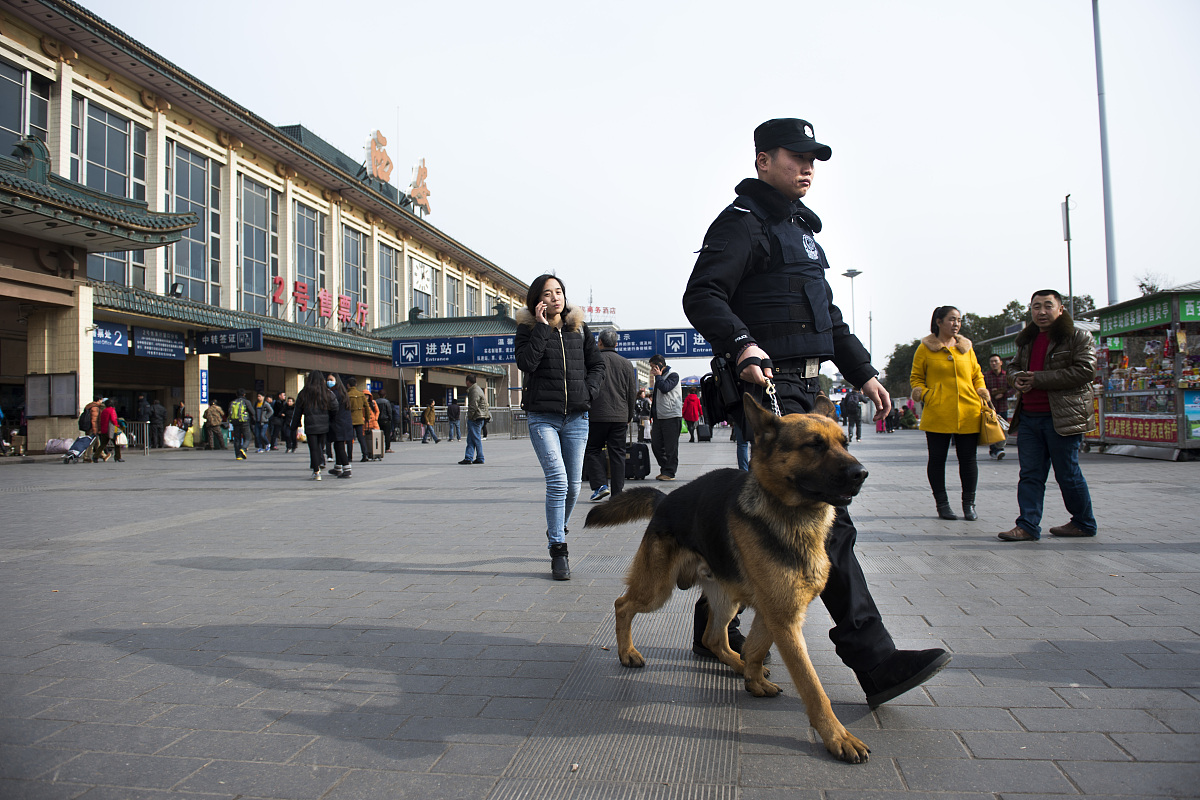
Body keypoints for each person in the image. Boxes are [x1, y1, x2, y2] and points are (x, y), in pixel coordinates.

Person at [682, 117, 949, 708]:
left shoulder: (803, 232)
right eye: (795, 155)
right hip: (772, 393)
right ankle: (875, 660)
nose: (807, 166)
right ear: (762, 161)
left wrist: (866, 373)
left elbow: (830, 319)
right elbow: (702, 294)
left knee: (767, 520)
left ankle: (712, 628)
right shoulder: (740, 225)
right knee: (827, 524)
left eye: (814, 158)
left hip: (812, 390)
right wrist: (742, 343)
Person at [514, 274, 605, 581]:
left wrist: (588, 392)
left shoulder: (579, 328)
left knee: (575, 486)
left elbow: (597, 366)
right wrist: (541, 327)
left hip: (577, 418)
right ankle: (559, 548)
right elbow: (527, 363)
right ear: (537, 300)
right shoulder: (527, 330)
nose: (555, 297)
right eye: (547, 293)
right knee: (558, 480)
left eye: (559, 292)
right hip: (544, 417)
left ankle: (557, 527)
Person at [998, 290, 1098, 542]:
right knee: (1030, 474)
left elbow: (1085, 370)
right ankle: (1028, 526)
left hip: (1062, 417)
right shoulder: (1027, 339)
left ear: (1060, 309)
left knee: (1067, 473)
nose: (1041, 312)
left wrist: (1039, 379)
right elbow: (1012, 367)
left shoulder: (1078, 336)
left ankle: (1083, 522)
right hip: (1030, 417)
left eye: (1047, 306)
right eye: (1035, 307)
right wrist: (1016, 380)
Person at [909, 306, 988, 522]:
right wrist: (926, 395)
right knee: (937, 459)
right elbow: (916, 378)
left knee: (968, 460)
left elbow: (977, 375)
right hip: (938, 412)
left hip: (969, 411)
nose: (956, 324)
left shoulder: (966, 348)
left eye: (959, 320)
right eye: (952, 320)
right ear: (939, 321)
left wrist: (981, 391)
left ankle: (968, 505)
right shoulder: (925, 349)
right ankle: (942, 504)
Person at [585, 329, 638, 501]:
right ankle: (617, 493)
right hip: (620, 416)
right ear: (616, 344)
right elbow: (632, 393)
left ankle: (600, 485)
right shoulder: (626, 364)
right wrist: (629, 415)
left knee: (593, 449)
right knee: (618, 454)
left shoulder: (591, 362)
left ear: (599, 342)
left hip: (596, 415)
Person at [293, 370, 335, 480]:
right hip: (324, 425)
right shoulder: (327, 392)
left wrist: (295, 424)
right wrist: (330, 418)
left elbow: (297, 411)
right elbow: (335, 406)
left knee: (313, 448)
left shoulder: (304, 393)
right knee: (320, 446)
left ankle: (316, 471)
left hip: (311, 424)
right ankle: (320, 463)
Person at [648, 354, 682, 481]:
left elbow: (665, 388)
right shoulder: (659, 378)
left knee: (670, 447)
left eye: (653, 367)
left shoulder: (673, 375)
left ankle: (670, 472)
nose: (652, 370)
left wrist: (657, 376)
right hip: (659, 417)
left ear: (660, 365)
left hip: (671, 416)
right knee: (656, 445)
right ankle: (665, 468)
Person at [984, 354, 1011, 460]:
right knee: (992, 430)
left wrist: (1003, 394)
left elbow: (1013, 389)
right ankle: (994, 450)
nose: (994, 363)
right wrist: (991, 393)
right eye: (991, 361)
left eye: (995, 361)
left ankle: (1000, 448)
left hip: (1003, 407)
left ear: (1001, 362)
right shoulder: (985, 376)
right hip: (990, 408)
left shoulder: (1006, 376)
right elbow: (981, 388)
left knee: (1003, 429)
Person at [327, 374, 354, 479]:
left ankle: (347, 469)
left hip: (338, 423)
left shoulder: (334, 393)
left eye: (331, 379)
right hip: (345, 423)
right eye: (328, 379)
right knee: (338, 445)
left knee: (339, 446)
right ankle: (338, 467)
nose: (328, 381)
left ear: (336, 381)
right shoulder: (343, 393)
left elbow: (332, 409)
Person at [460, 375, 489, 465]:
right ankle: (468, 457)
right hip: (480, 416)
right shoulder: (477, 389)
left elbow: (473, 405)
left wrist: (470, 416)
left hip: (476, 417)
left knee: (475, 438)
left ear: (468, 381)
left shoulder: (474, 390)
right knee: (471, 439)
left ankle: (480, 457)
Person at [227, 389, 252, 460]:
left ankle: (238, 455)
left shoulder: (232, 402)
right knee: (248, 437)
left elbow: (229, 412)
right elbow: (252, 412)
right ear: (244, 394)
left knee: (237, 439)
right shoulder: (246, 402)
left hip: (235, 422)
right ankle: (243, 449)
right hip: (244, 422)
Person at [345, 377, 367, 461]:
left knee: (350, 439)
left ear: (348, 385)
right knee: (361, 438)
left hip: (349, 419)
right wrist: (367, 418)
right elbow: (366, 407)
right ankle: (365, 455)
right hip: (359, 419)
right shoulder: (361, 394)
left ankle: (349, 457)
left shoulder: (347, 395)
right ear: (356, 385)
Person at [80, 395, 104, 462]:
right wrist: (95, 430)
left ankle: (102, 455)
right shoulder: (95, 408)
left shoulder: (89, 406)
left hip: (89, 427)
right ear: (99, 400)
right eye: (101, 400)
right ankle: (86, 457)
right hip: (92, 428)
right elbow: (94, 420)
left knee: (97, 442)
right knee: (90, 443)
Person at [363, 388, 380, 460]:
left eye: (367, 395)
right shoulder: (361, 403)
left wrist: (375, 418)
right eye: (365, 395)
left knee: (376, 438)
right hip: (365, 424)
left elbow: (377, 411)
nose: (366, 397)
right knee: (365, 439)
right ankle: (367, 453)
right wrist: (364, 419)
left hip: (374, 423)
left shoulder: (373, 403)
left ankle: (376, 453)